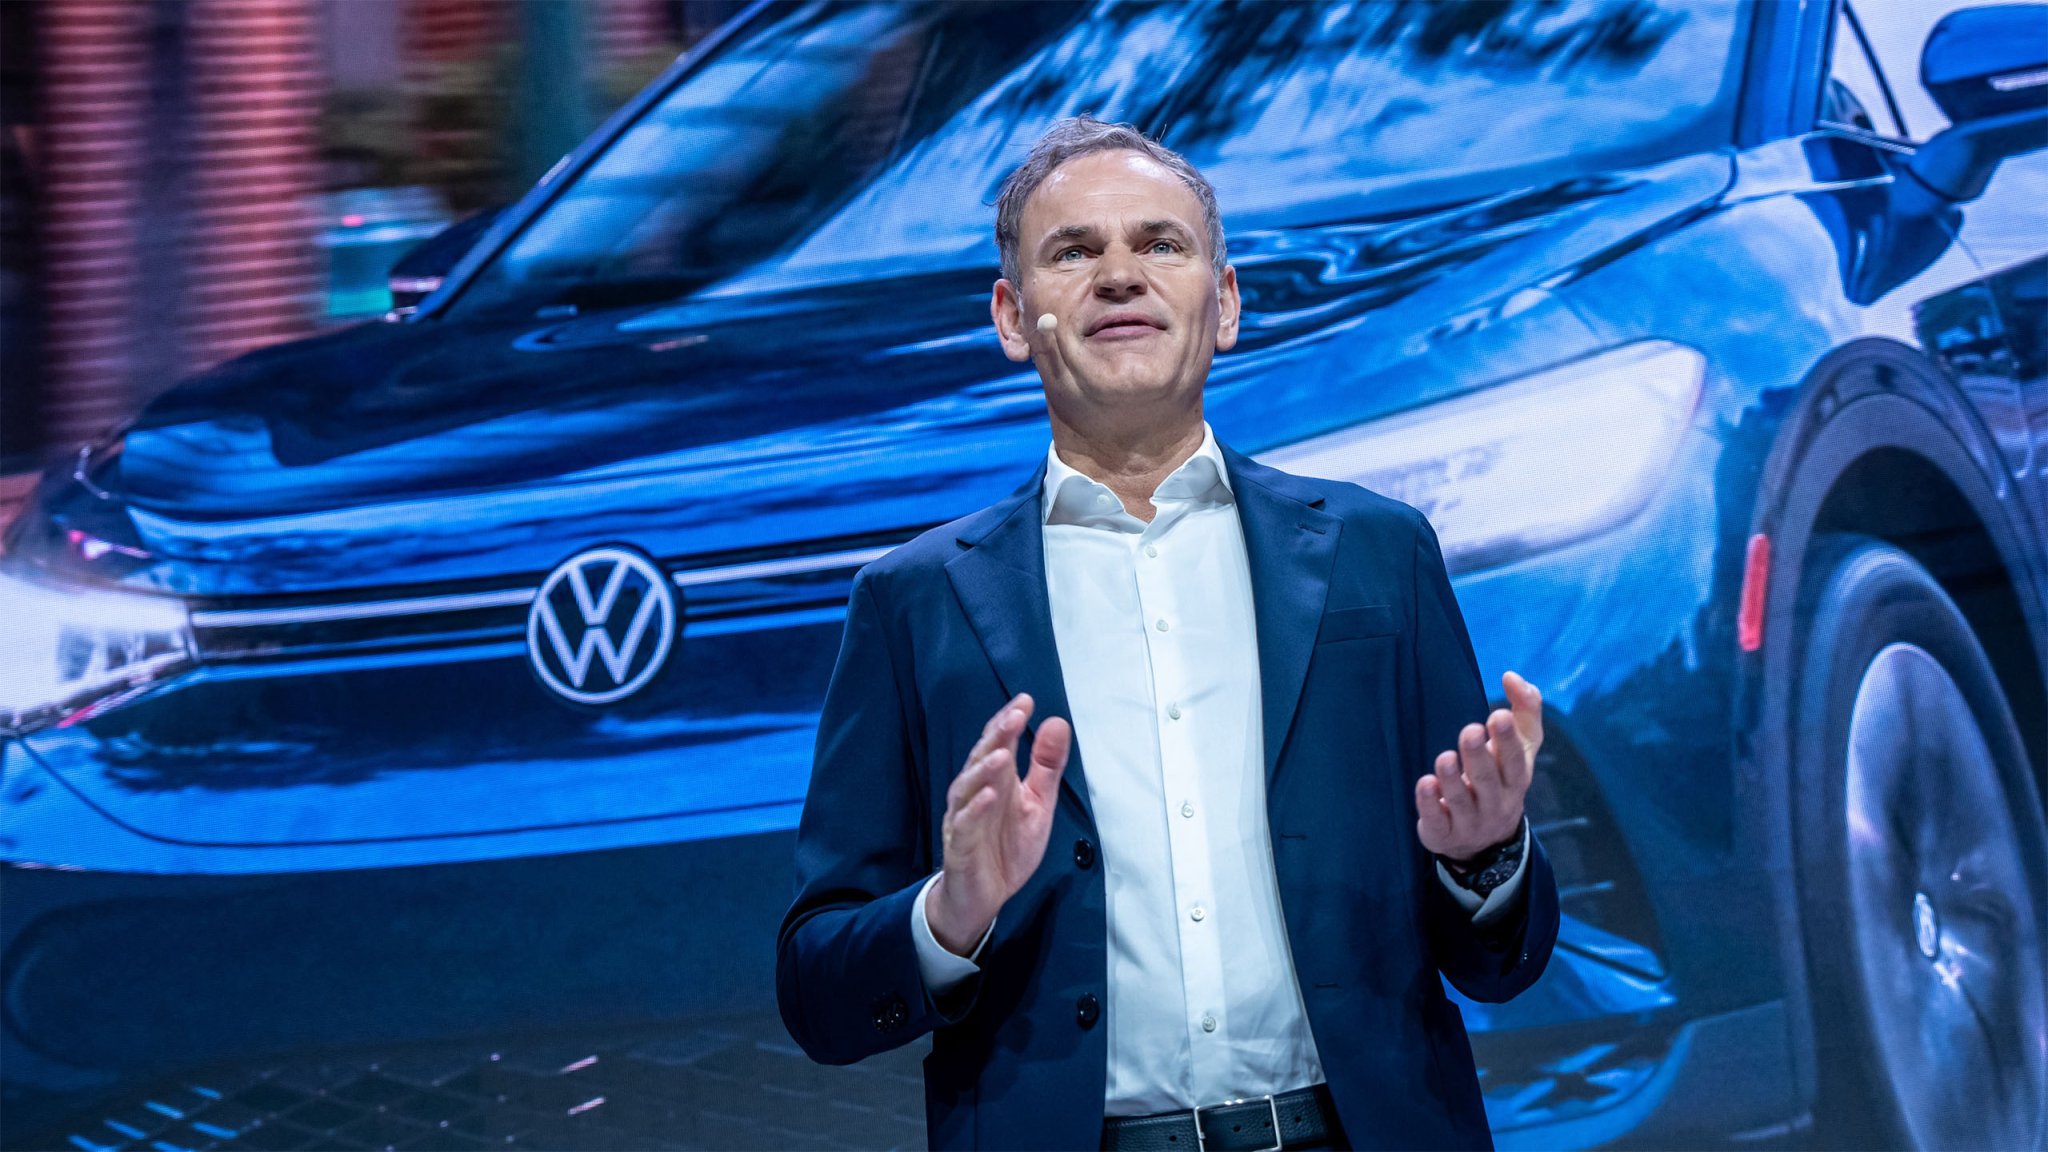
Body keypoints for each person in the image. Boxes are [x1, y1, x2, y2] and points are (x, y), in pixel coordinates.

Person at [776, 115, 1559, 1151]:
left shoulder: (1378, 552)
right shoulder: (911, 601)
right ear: (1013, 318)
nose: (1117, 276)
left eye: (1159, 243)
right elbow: (818, 993)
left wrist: (1484, 859)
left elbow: (1498, 960)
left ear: (1223, 302)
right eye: (1072, 251)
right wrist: (950, 908)